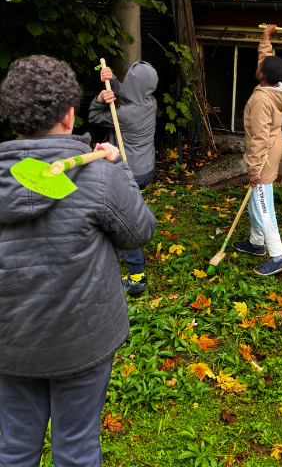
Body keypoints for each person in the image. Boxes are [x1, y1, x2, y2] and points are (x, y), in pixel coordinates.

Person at [0, 55, 156, 466]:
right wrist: (118, 170)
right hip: (81, 342)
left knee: (13, 448)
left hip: (9, 345)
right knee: (77, 447)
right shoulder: (99, 176)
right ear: (70, 116)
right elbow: (140, 232)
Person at [89, 61, 158, 296]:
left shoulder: (125, 115)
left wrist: (100, 98)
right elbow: (131, 93)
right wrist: (113, 80)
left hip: (130, 171)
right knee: (132, 209)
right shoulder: (150, 102)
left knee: (125, 221)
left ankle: (137, 276)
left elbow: (94, 116)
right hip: (146, 169)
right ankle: (140, 223)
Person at [232, 24, 282, 276]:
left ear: (262, 75)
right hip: (273, 145)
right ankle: (257, 243)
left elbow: (257, 138)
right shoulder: (277, 87)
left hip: (264, 153)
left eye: (259, 67)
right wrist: (265, 38)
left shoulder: (260, 101)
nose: (257, 67)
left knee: (262, 203)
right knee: (255, 200)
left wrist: (253, 169)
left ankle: (278, 256)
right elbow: (266, 61)